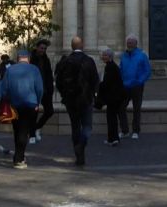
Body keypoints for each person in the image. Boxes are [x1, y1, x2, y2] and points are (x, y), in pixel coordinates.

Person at [54, 35, 100, 166]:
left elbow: (58, 81)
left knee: (75, 127)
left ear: (71, 46)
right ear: (82, 45)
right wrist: (94, 94)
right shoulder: (89, 61)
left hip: (70, 100)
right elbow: (95, 80)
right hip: (86, 99)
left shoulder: (65, 61)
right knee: (87, 126)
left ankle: (79, 155)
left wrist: (64, 95)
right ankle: (82, 145)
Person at [0, 45, 44, 167]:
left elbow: (4, 89)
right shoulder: (34, 69)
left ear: (18, 58)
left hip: (14, 104)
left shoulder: (10, 70)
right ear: (28, 58)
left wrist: (4, 102)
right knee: (24, 131)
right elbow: (39, 88)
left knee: (17, 130)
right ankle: (19, 159)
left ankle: (19, 156)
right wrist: (38, 102)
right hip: (30, 104)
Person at [119, 35, 152, 138]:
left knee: (136, 109)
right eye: (128, 42)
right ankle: (125, 130)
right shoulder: (123, 55)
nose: (129, 44)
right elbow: (121, 68)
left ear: (135, 44)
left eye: (131, 43)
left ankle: (136, 131)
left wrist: (139, 81)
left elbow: (147, 71)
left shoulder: (142, 55)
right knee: (120, 108)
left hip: (137, 86)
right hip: (125, 86)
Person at [97, 48, 126, 145]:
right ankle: (114, 138)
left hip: (113, 97)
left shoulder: (110, 67)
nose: (103, 57)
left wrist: (99, 86)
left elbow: (107, 83)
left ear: (110, 57)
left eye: (105, 55)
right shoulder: (112, 66)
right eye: (103, 55)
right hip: (116, 97)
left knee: (111, 118)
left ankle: (113, 139)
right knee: (112, 117)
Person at [31, 39, 55, 144]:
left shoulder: (46, 59)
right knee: (33, 113)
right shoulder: (31, 59)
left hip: (45, 89)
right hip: (34, 90)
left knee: (50, 111)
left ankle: (36, 128)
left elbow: (49, 75)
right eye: (41, 48)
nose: (43, 50)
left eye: (45, 49)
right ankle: (31, 135)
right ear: (37, 48)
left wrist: (50, 89)